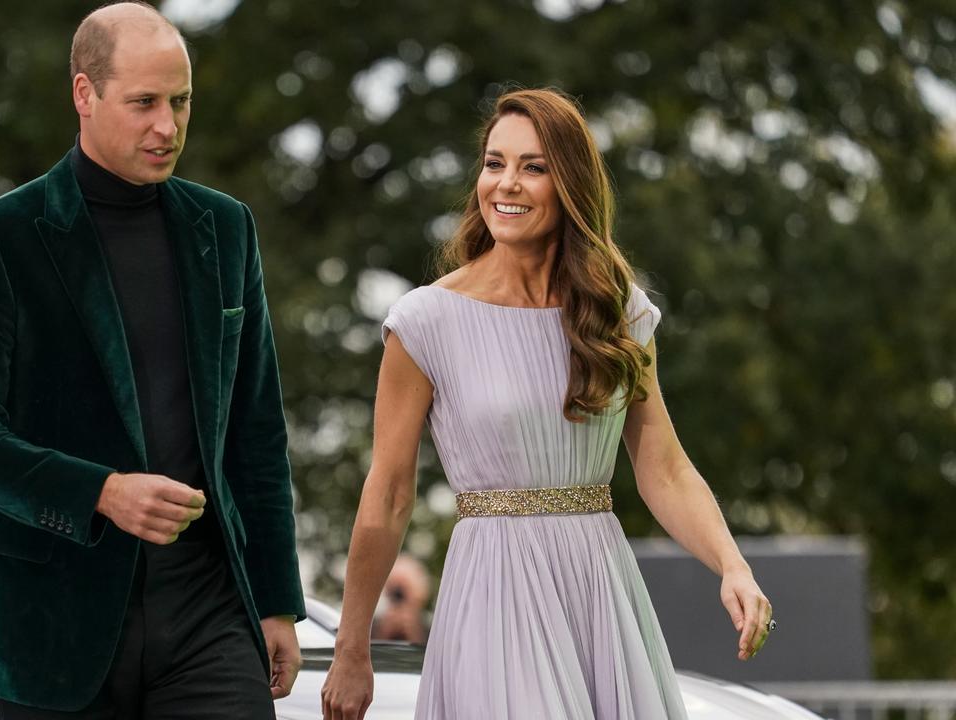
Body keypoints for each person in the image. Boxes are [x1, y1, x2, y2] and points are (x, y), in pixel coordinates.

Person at [320, 88, 774, 720]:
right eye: (494, 163)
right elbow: (390, 493)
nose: (506, 183)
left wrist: (733, 566)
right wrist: (351, 647)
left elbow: (663, 467)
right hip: (492, 594)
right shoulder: (426, 322)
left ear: (571, 185)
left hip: (600, 591)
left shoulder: (619, 313)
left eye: (533, 167)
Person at [0, 3, 303, 718]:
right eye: (145, 103)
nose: (168, 126)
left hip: (208, 613)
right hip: (55, 622)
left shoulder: (225, 227)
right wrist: (101, 490)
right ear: (85, 95)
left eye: (181, 102)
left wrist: (277, 600)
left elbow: (255, 431)